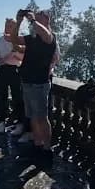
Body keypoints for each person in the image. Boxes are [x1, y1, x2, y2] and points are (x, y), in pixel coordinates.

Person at [10, 9, 59, 165]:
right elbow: (14, 40)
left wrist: (32, 20)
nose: (35, 23)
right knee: (32, 117)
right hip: (27, 81)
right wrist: (18, 22)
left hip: (40, 83)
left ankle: (47, 148)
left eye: (38, 19)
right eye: (34, 20)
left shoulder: (50, 38)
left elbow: (45, 33)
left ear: (47, 20)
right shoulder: (32, 38)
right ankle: (37, 145)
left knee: (42, 117)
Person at [0, 18, 26, 136]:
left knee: (17, 98)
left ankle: (19, 124)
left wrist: (12, 55)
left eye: (10, 26)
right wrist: (6, 58)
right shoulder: (0, 40)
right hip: (2, 70)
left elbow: (22, 57)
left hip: (15, 71)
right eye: (6, 25)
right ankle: (2, 122)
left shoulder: (20, 40)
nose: (7, 27)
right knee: (1, 96)